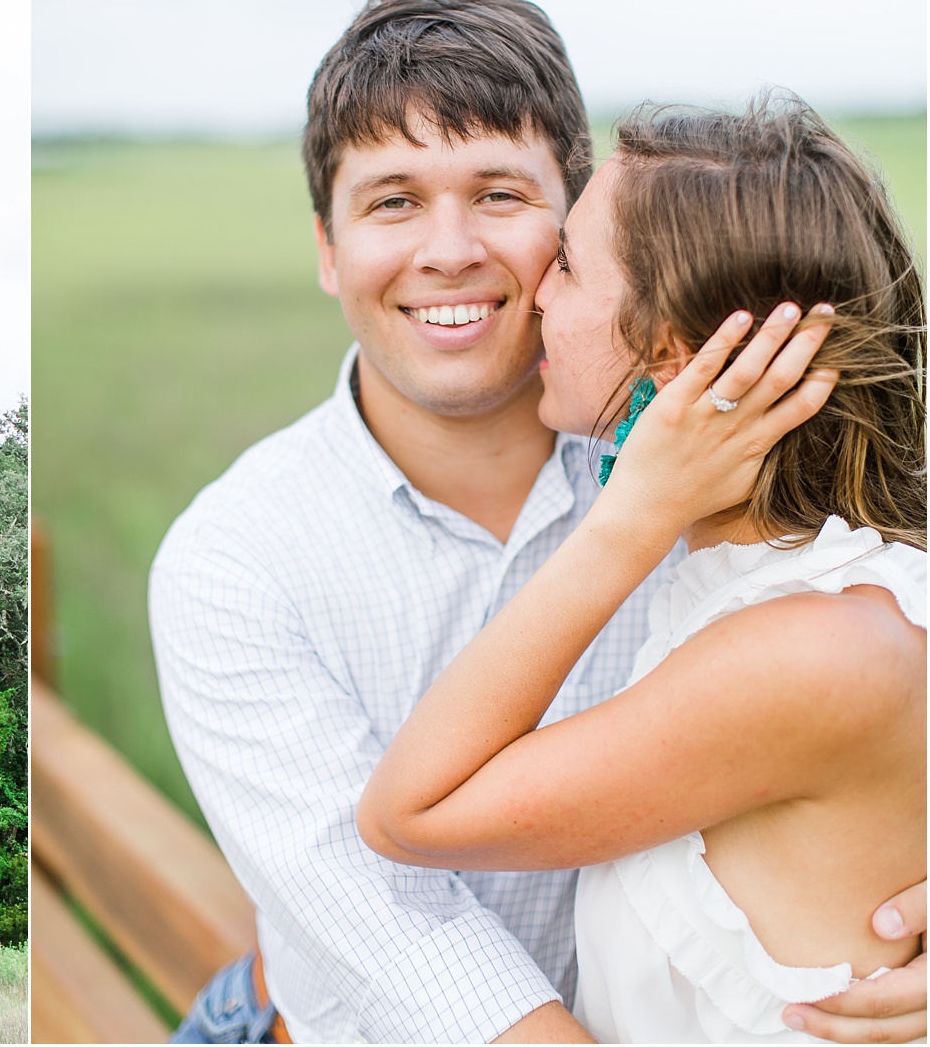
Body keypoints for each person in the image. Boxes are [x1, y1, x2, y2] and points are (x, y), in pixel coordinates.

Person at [149, 0, 926, 1043]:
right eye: (393, 203)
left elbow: (885, 665)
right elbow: (399, 934)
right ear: (329, 250)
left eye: (502, 196)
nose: (452, 250)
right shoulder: (233, 558)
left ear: (574, 223)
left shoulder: (723, 471)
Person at [357, 99, 924, 1043]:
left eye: (572, 264)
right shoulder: (805, 593)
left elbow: (411, 809)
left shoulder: (807, 648)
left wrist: (628, 521)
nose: (538, 289)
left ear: (672, 354)